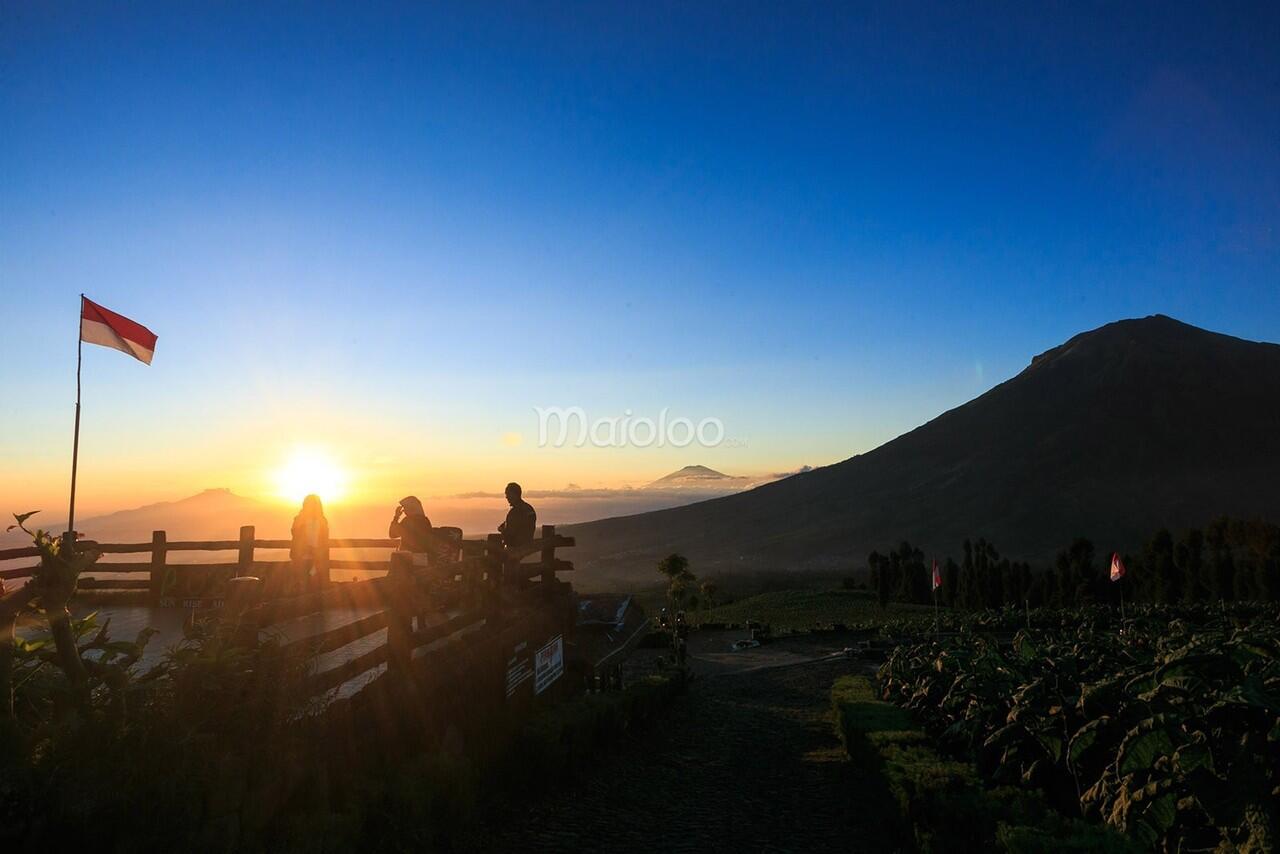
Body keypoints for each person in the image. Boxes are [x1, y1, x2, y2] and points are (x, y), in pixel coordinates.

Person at [286, 494, 329, 594]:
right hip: (301, 558)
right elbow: (296, 536)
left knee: (313, 587)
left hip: (316, 559)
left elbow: (324, 541)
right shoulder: (299, 520)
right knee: (302, 586)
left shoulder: (322, 521)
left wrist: (317, 553)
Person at [498, 481, 536, 548]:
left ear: (514, 494)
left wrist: (502, 530)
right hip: (527, 543)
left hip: (516, 546)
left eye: (508, 494)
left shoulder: (516, 511)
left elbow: (511, 532)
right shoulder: (529, 508)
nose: (506, 497)